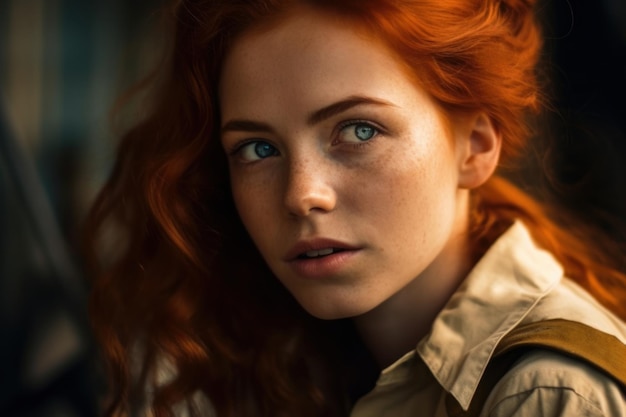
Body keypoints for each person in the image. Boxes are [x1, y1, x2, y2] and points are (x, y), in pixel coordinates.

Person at [85, 0, 626, 416]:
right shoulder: (292, 356)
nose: (301, 194)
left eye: (358, 130)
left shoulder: (547, 393)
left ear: (476, 145)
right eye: (258, 149)